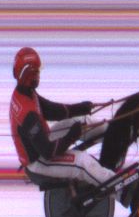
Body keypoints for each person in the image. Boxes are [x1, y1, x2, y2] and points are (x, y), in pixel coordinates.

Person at [9, 47, 119, 186]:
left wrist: (80, 108)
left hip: (42, 140)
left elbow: (51, 110)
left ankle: (115, 133)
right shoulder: (27, 114)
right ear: (28, 75)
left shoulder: (26, 92)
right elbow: (48, 152)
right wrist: (72, 135)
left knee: (82, 121)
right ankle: (120, 188)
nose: (39, 75)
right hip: (39, 162)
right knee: (82, 162)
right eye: (37, 72)